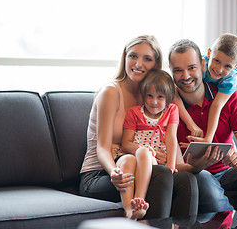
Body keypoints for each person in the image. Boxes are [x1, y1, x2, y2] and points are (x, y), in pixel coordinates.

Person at [79, 35, 198, 220]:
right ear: (124, 58)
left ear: (156, 64)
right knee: (161, 175)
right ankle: (139, 217)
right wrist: (114, 173)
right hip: (100, 174)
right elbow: (102, 148)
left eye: (147, 59)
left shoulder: (150, 97)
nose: (138, 63)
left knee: (186, 180)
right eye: (133, 56)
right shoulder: (111, 92)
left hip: (139, 166)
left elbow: (171, 108)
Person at [168, 39, 237, 229]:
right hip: (194, 176)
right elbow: (173, 165)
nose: (185, 76)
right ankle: (233, 208)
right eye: (177, 70)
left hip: (227, 174)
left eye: (191, 68)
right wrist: (198, 165)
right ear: (170, 71)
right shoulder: (167, 106)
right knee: (201, 177)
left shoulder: (229, 96)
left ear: (203, 64)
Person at [121, 69, 178, 219]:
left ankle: (138, 201)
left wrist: (171, 166)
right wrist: (143, 149)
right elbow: (125, 144)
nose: (154, 102)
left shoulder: (172, 110)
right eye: (150, 96)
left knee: (145, 153)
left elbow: (171, 137)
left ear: (168, 98)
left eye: (160, 97)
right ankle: (130, 209)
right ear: (143, 95)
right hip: (136, 156)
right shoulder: (135, 112)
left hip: (155, 161)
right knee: (137, 155)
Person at [173, 33, 237, 142]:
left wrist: (208, 138)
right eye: (217, 61)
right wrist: (190, 124)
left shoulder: (231, 79)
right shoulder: (201, 65)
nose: (219, 69)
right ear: (209, 53)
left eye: (227, 66)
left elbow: (216, 106)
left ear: (235, 65)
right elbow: (173, 89)